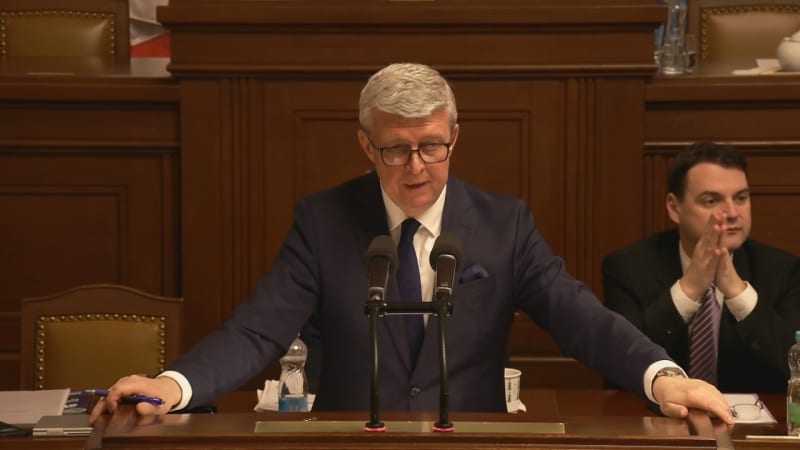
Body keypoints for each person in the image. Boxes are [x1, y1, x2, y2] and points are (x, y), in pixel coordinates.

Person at [91, 63, 733, 424]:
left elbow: (579, 317)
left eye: (432, 146)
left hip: (471, 443)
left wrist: (662, 377)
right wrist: (174, 384)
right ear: (366, 145)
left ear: (455, 137)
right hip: (352, 442)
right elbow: (259, 328)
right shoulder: (323, 220)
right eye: (396, 150)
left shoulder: (504, 224)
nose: (417, 167)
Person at [602, 141, 800, 394]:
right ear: (674, 208)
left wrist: (737, 292)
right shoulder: (628, 268)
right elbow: (618, 364)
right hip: (658, 413)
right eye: (711, 201)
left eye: (741, 198)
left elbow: (795, 368)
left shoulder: (783, 271)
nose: (732, 213)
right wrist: (690, 288)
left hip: (750, 417)